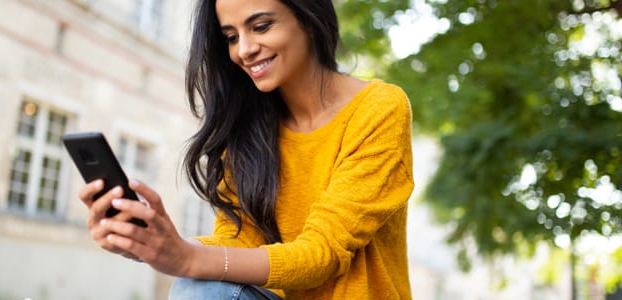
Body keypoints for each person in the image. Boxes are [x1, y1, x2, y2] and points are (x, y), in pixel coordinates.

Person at [77, 0, 415, 299]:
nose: (244, 49)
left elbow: (323, 252)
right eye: (231, 37)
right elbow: (239, 244)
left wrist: (187, 257)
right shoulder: (248, 128)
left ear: (309, 18)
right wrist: (151, 245)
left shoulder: (379, 108)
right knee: (198, 285)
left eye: (261, 26)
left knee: (200, 283)